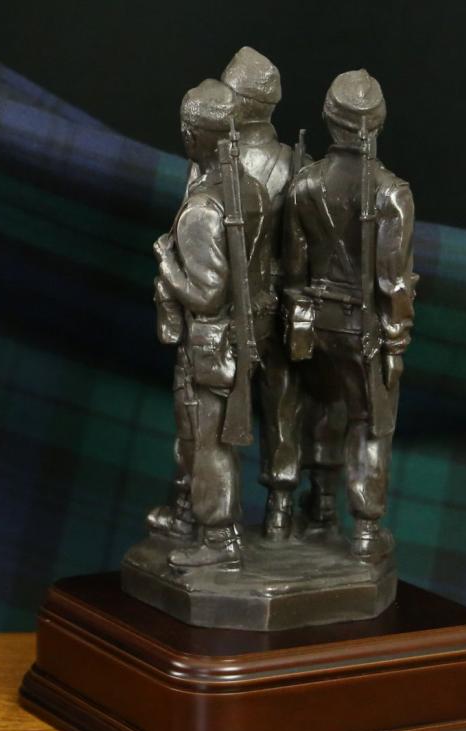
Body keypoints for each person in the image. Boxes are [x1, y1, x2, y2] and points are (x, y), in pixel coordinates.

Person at [283, 69, 417, 557]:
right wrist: (396, 340)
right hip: (365, 330)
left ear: (329, 118)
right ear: (378, 122)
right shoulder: (391, 193)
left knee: (320, 407)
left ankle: (318, 504)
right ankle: (364, 526)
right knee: (370, 422)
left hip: (315, 322)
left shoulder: (304, 185)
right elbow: (394, 282)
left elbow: (294, 268)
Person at [152, 78, 273, 567]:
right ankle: (201, 522)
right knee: (214, 438)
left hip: (211, 343)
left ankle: (218, 539)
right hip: (245, 335)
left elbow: (205, 296)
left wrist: (166, 263)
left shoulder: (203, 208)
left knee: (209, 442)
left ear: (192, 135)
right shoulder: (254, 190)